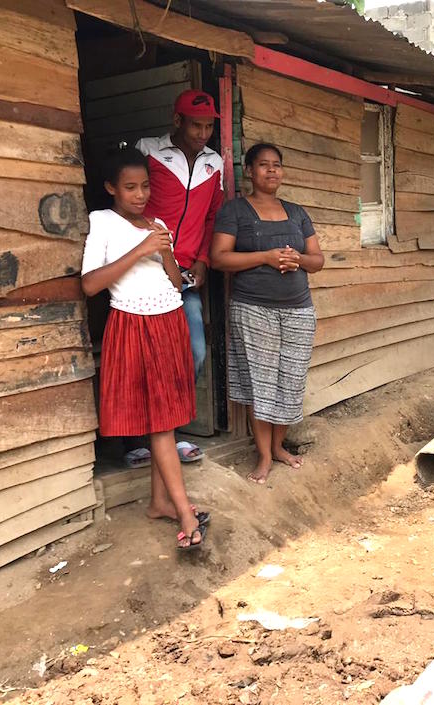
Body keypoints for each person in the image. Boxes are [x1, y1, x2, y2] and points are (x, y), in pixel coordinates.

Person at [81, 145, 209, 551]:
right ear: (111, 188)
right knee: (160, 425)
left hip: (169, 319)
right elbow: (90, 284)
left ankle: (159, 503)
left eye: (145, 186)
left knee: (166, 417)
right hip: (134, 323)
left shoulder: (156, 223)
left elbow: (175, 282)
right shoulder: (102, 222)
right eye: (130, 187)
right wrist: (139, 250)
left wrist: (166, 251)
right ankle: (185, 512)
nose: (139, 195)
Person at [210, 143, 325, 484]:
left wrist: (297, 260)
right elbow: (219, 258)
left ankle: (278, 448)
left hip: (298, 309)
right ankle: (263, 456)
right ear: (249, 170)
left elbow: (317, 260)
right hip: (253, 309)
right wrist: (264, 257)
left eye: (276, 165)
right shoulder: (235, 212)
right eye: (263, 165)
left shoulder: (297, 212)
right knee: (260, 385)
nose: (271, 171)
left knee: (289, 382)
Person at [128, 89, 224, 467]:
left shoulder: (214, 162)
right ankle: (137, 439)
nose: (203, 133)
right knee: (142, 358)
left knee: (193, 353)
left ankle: (173, 434)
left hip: (185, 276)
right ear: (177, 120)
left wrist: (202, 261)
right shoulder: (148, 150)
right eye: (196, 125)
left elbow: (212, 216)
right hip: (143, 271)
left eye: (209, 127)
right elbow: (126, 205)